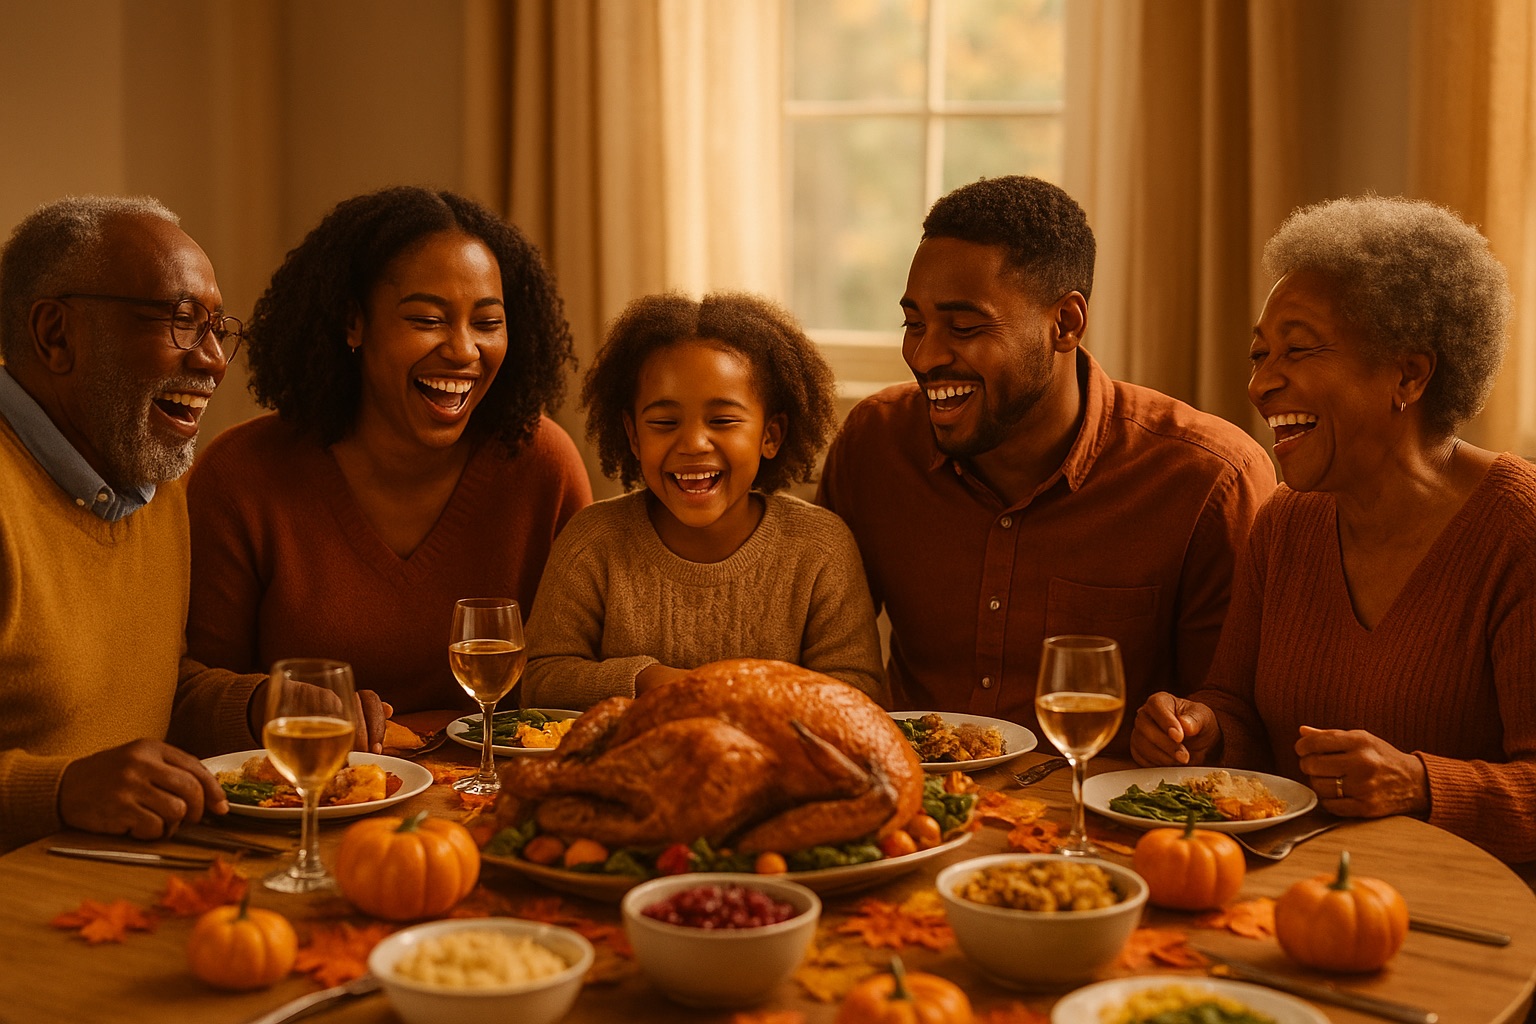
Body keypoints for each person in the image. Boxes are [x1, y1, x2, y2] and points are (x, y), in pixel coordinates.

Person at [1132, 196, 1536, 863]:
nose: (1261, 385)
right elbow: (1236, 706)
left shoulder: (1517, 531)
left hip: (1475, 920)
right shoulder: (1285, 522)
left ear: (1408, 373)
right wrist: (1203, 730)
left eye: (1297, 349)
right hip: (1295, 890)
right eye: (1260, 354)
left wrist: (1421, 784)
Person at [817, 176, 1275, 755]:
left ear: (1065, 324)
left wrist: (1198, 728)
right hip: (917, 811)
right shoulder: (875, 443)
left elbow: (1236, 711)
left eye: (964, 327)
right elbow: (818, 643)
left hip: (1103, 824)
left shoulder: (1209, 479)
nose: (926, 355)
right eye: (914, 324)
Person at [0, 196, 384, 851]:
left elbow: (148, 692)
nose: (214, 360)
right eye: (181, 320)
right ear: (56, 335)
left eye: (217, 327)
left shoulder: (156, 481)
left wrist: (263, 706)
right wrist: (60, 789)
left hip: (122, 873)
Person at [186, 187, 592, 714]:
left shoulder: (543, 466)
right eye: (427, 320)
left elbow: (577, 675)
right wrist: (270, 705)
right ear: (354, 322)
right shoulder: (241, 475)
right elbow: (186, 695)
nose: (464, 349)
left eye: (488, 323)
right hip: (308, 791)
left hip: (490, 791)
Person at [522, 291, 887, 708]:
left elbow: (858, 691)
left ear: (771, 435)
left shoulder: (820, 547)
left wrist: (739, 696)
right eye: (664, 422)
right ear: (632, 435)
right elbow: (540, 679)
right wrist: (647, 681)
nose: (694, 443)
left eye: (723, 421)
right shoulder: (593, 541)